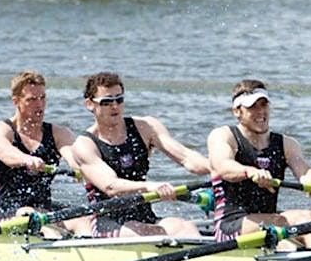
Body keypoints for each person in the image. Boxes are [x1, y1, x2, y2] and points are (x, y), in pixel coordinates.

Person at [71, 72, 211, 238]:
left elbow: (187, 158)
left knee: (184, 227)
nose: (115, 106)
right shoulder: (85, 144)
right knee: (148, 232)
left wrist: (217, 166)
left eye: (119, 99)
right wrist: (150, 186)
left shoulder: (145, 127)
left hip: (145, 216)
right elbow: (111, 186)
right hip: (106, 221)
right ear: (89, 104)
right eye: (107, 102)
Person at [207, 79, 311, 247]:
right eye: (252, 107)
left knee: (306, 217)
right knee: (279, 225)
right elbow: (223, 165)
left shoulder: (286, 143)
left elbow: (305, 170)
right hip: (230, 227)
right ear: (237, 111)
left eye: (264, 105)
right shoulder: (224, 135)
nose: (260, 112)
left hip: (269, 222)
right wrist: (249, 172)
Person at [0, 70, 79, 236]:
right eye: (32, 100)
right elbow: (5, 152)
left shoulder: (58, 133)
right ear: (16, 102)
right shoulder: (0, 130)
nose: (40, 105)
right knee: (31, 214)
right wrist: (26, 159)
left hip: (43, 211)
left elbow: (76, 156)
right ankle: (57, 241)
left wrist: (81, 169)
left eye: (43, 98)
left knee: (83, 218)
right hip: (6, 213)